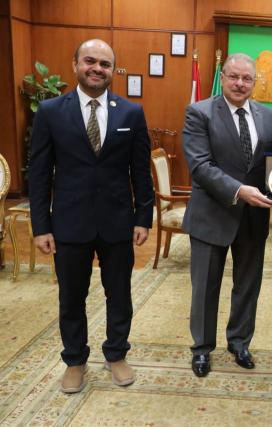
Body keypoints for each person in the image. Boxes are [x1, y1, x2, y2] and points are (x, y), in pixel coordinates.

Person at [29, 39, 154, 393]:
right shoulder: (51, 111)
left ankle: (116, 353)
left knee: (120, 295)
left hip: (118, 222)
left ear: (112, 70)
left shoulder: (131, 113)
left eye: (105, 63)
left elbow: (140, 172)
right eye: (90, 61)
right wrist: (41, 226)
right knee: (71, 297)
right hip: (69, 223)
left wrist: (143, 217)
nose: (97, 68)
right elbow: (39, 173)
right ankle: (75, 360)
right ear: (75, 65)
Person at [182, 53, 272, 378]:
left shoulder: (268, 116)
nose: (240, 83)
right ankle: (201, 348)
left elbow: (268, 165)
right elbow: (200, 166)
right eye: (233, 76)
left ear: (254, 82)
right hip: (211, 215)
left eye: (247, 78)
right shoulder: (200, 112)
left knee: (248, 285)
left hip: (253, 218)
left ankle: (239, 343)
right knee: (205, 288)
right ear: (222, 77)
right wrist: (239, 191)